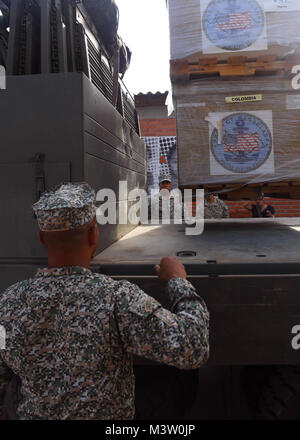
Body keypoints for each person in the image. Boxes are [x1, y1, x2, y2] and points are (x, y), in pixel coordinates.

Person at [0, 182, 209, 420]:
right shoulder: (116, 298)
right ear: (93, 234)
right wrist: (177, 281)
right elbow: (193, 347)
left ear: (41, 237)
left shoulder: (8, 304)